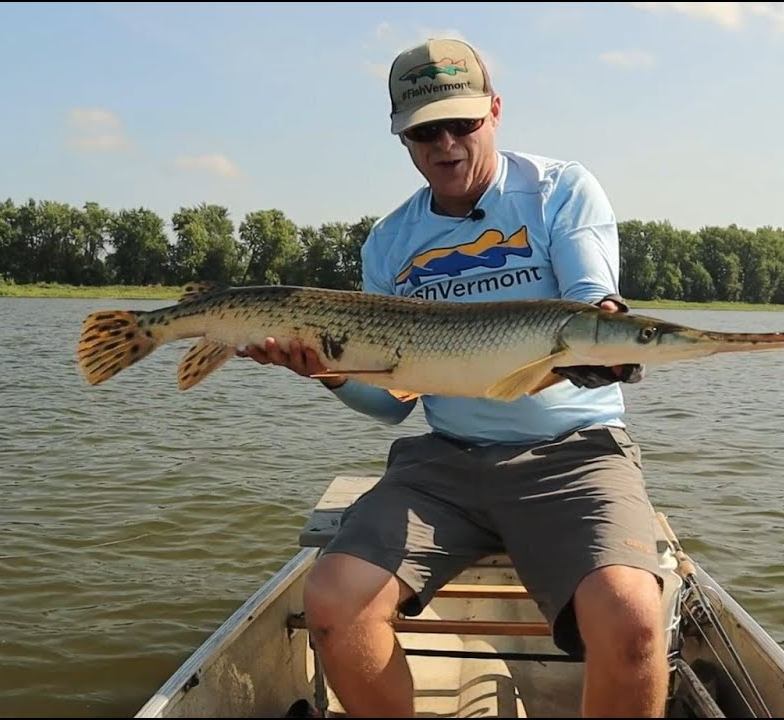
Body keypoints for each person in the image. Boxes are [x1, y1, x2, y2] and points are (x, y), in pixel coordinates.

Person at [238, 37, 669, 718]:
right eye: (424, 130)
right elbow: (388, 406)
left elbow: (593, 306)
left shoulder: (559, 191)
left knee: (635, 617)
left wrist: (611, 334)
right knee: (332, 603)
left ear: (494, 112)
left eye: (461, 123)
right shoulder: (389, 242)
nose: (446, 144)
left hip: (574, 454)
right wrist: (324, 372)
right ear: (402, 138)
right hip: (444, 465)